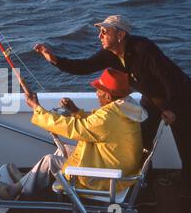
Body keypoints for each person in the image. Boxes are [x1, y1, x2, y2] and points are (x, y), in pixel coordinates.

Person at [34, 15, 191, 198]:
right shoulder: (109, 54)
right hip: (152, 97)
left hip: (179, 96)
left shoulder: (143, 49)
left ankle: (187, 184)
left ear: (120, 34)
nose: (99, 35)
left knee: (186, 142)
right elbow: (83, 67)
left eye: (104, 31)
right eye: (99, 31)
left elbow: (171, 78)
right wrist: (54, 59)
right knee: (143, 141)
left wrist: (171, 108)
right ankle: (143, 187)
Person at [0, 68, 148, 200]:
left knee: (49, 160)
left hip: (109, 178)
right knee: (62, 151)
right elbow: (96, 124)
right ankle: (27, 179)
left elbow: (75, 129)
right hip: (120, 166)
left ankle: (13, 191)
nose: (97, 93)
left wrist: (37, 109)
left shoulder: (108, 117)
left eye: (99, 90)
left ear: (108, 95)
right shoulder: (124, 108)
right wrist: (76, 111)